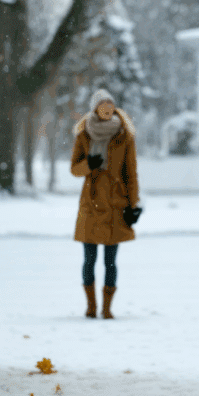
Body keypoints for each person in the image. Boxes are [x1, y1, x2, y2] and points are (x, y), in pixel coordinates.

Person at [70, 89, 142, 319]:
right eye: (103, 105)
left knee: (111, 261)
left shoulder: (124, 135)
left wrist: (134, 205)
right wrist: (88, 165)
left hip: (115, 205)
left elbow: (131, 173)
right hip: (90, 205)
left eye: (110, 104)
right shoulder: (84, 135)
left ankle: (107, 308)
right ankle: (91, 306)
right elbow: (74, 169)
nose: (107, 108)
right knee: (89, 260)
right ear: (95, 109)